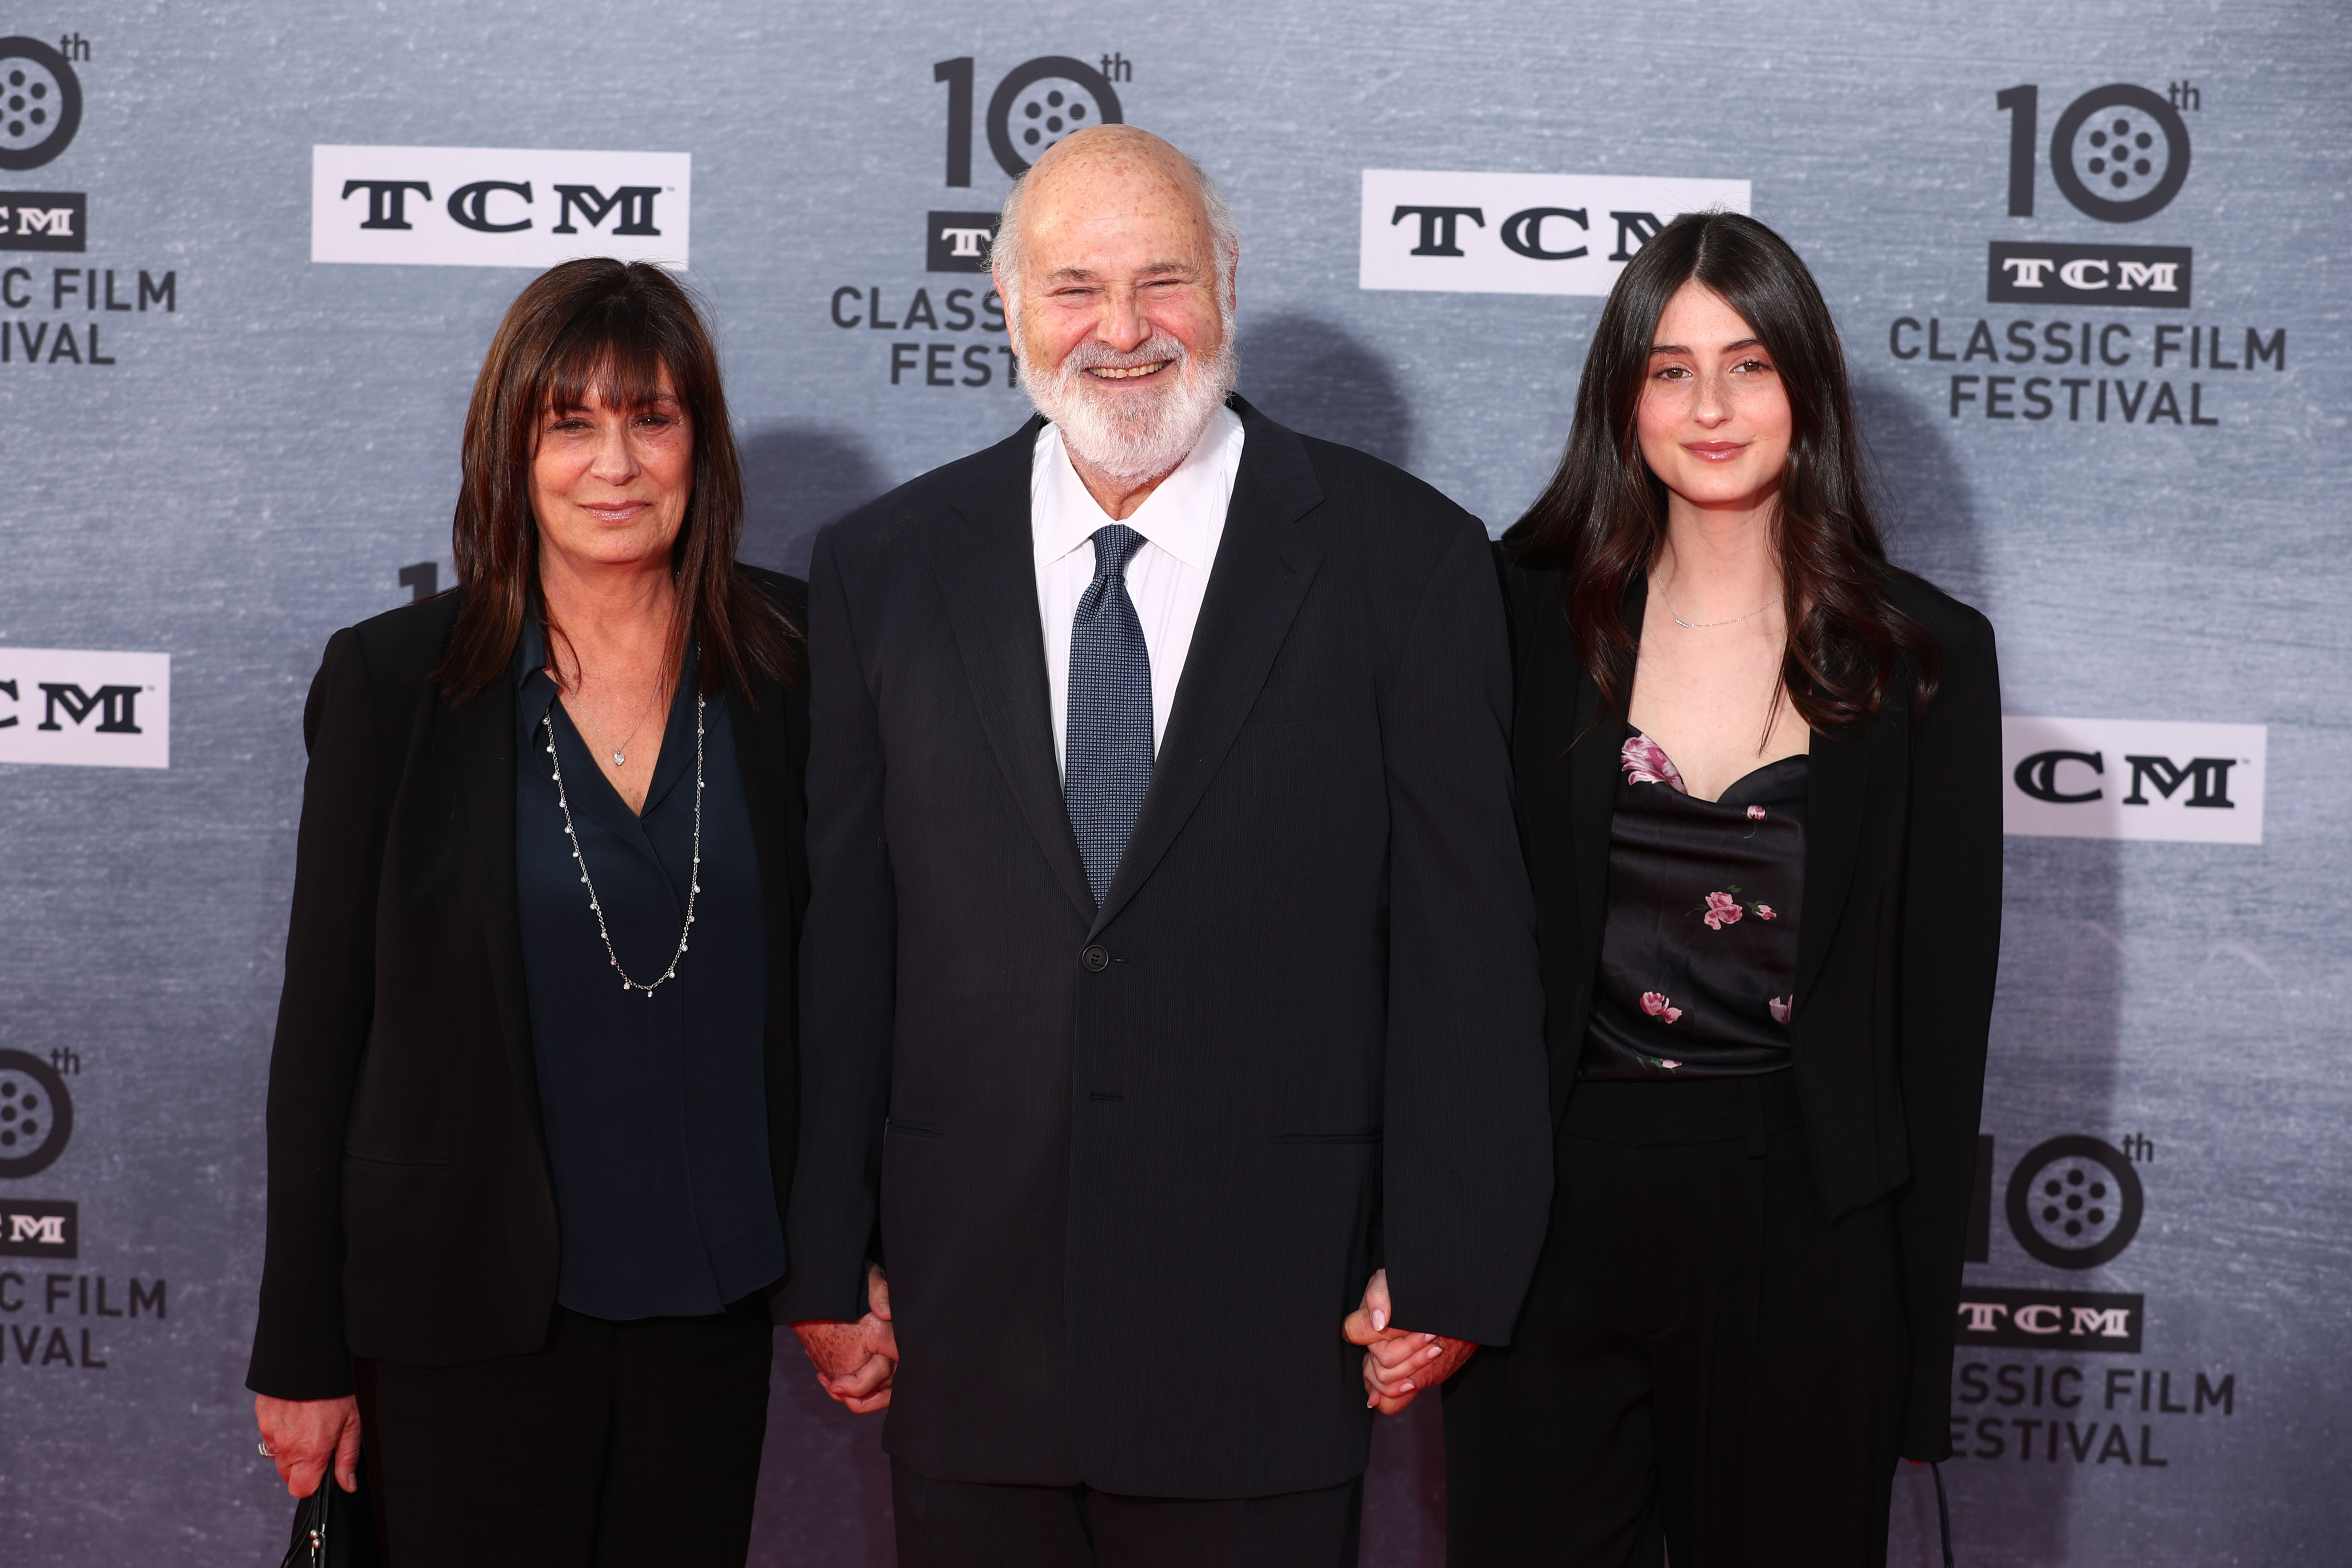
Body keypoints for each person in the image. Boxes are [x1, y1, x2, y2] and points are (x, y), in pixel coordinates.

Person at [781, 124, 1553, 1567]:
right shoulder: (884, 567)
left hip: (1268, 1321)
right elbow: (849, 944)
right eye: (1075, 287)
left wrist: (1450, 1254)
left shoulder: (1408, 561)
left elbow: (1466, 947)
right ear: (1008, 303)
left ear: (1228, 283)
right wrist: (827, 1254)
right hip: (966, 1320)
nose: (1122, 330)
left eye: (1163, 281)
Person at [1441, 211, 2002, 1567]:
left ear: (1804, 387)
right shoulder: (1517, 619)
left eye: (1748, 365)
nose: (1709, 407)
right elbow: (1438, 957)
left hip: (1803, 1227)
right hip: (1549, 1217)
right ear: (1622, 397)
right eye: (1670, 369)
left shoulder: (1923, 655)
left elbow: (1940, 1032)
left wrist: (1918, 1360)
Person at [246, 258, 810, 1567]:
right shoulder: (395, 684)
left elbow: (852, 985)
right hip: (458, 1315)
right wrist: (301, 1346)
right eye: (571, 422)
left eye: (651, 417)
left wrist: (857, 1251)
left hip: (710, 1308)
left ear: (700, 444)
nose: (615, 463)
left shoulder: (794, 660)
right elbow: (321, 1036)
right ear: (512, 449)